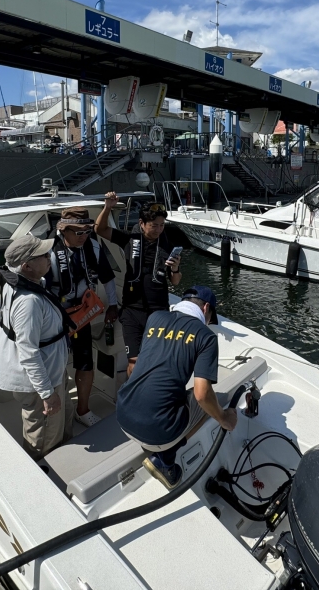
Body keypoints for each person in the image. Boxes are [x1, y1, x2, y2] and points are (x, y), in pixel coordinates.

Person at [116, 286, 237, 488]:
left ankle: (161, 445)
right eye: (210, 317)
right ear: (206, 308)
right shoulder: (206, 337)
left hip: (122, 415)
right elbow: (201, 394)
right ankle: (164, 459)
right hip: (156, 431)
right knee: (209, 405)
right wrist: (225, 419)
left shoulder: (155, 318)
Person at [0, 234, 76, 460]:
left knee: (56, 424)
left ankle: (62, 451)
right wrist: (46, 393)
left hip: (49, 371)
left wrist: (10, 351)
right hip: (40, 382)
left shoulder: (13, 284)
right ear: (26, 266)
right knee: (43, 430)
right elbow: (28, 353)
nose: (50, 258)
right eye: (44, 255)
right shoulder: (30, 301)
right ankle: (43, 467)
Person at [43, 207, 119, 428]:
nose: (84, 236)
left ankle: (82, 410)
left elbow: (107, 277)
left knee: (86, 362)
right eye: (78, 232)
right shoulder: (48, 250)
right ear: (63, 230)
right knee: (55, 364)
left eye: (87, 230)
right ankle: (54, 408)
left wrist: (112, 305)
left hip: (82, 315)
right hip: (55, 316)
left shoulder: (92, 246)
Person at [94, 193, 182, 377]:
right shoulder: (129, 239)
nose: (158, 230)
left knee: (158, 360)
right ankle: (132, 399)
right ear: (141, 223)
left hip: (159, 312)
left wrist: (175, 269)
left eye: (161, 225)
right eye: (153, 225)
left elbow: (175, 281)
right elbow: (100, 230)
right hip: (132, 312)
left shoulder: (168, 246)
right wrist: (108, 207)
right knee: (134, 364)